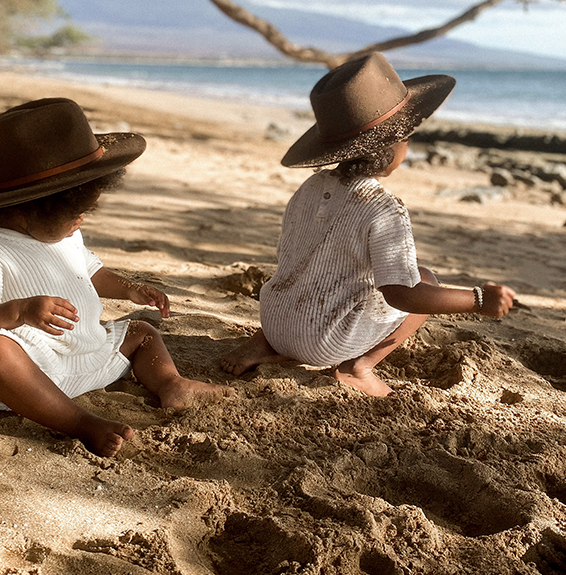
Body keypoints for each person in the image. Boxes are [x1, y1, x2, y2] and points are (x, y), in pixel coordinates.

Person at [0, 98, 233, 457]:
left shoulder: (63, 233)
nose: (81, 221)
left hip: (93, 351)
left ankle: (171, 384)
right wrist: (17, 312)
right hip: (38, 370)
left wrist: (130, 289)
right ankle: (80, 422)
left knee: (142, 331)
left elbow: (90, 271)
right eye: (77, 213)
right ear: (28, 207)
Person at [221, 52, 516, 396]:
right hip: (322, 342)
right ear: (391, 148)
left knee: (304, 272)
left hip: (273, 321)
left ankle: (263, 345)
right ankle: (357, 368)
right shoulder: (383, 208)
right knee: (424, 279)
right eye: (407, 138)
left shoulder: (311, 186)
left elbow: (293, 258)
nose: (408, 145)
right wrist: (478, 300)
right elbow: (403, 295)